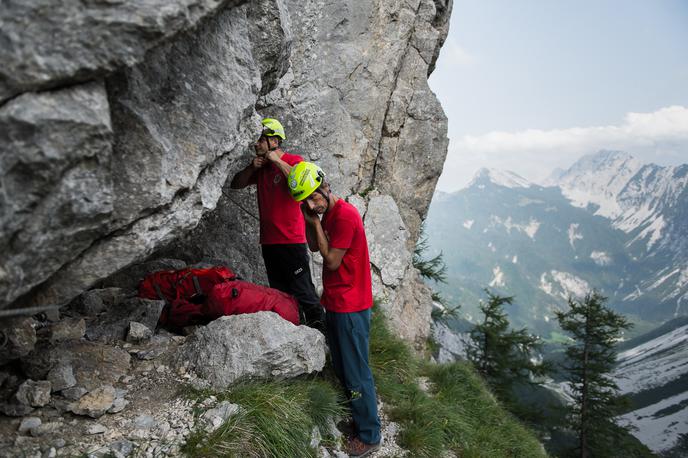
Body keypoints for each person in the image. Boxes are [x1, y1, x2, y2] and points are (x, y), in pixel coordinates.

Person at [287, 161, 381, 457]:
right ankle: (360, 419)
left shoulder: (345, 217)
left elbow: (331, 261)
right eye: (307, 201)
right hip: (338, 302)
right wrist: (310, 219)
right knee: (343, 366)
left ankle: (370, 435)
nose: (313, 204)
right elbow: (315, 248)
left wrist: (313, 221)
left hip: (351, 305)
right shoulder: (326, 214)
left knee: (356, 371)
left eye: (315, 196)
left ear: (326, 187)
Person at [230, 118, 324, 330]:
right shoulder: (261, 168)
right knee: (280, 294)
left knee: (304, 292)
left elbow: (300, 182)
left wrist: (277, 160)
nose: (256, 144)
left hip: (291, 241)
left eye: (260, 140)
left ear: (274, 140)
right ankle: (294, 333)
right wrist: (250, 168)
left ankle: (322, 332)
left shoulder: (293, 160)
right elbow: (235, 184)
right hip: (269, 243)